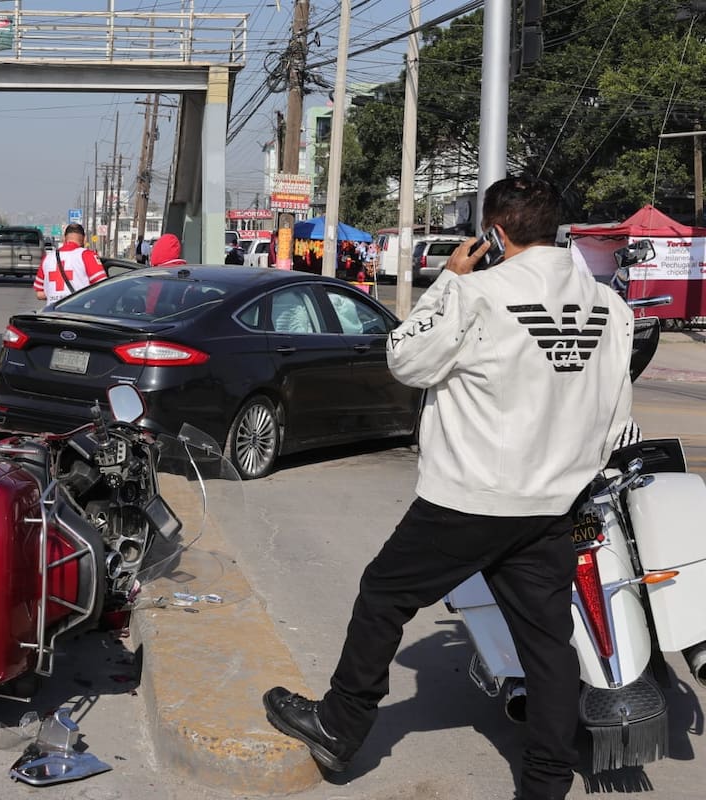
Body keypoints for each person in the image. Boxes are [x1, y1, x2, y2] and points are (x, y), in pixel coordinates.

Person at [262, 176, 638, 800]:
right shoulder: (611, 308)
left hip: (472, 499)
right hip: (552, 503)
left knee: (383, 595)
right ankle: (547, 779)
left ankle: (339, 723)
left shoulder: (477, 294)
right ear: (555, 229)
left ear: (493, 232)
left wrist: (451, 281)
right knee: (547, 643)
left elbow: (405, 360)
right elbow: (614, 407)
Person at [33, 222, 107, 303]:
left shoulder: (48, 258)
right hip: (77, 311)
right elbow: (102, 287)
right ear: (85, 239)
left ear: (64, 239)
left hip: (52, 312)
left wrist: (56, 296)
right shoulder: (87, 255)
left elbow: (39, 293)